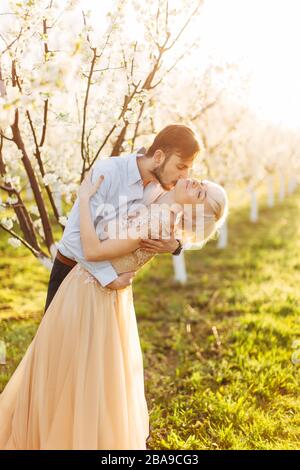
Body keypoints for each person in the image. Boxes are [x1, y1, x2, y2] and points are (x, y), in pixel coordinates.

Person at [0, 171, 228, 450]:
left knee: (70, 369)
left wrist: (84, 200)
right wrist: (178, 244)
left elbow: (93, 250)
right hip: (100, 293)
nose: (196, 183)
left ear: (194, 212)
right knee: (78, 372)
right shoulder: (164, 208)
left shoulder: (158, 221)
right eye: (202, 183)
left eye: (201, 194)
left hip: (89, 294)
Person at [44, 124, 203, 313]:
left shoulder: (162, 187)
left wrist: (176, 246)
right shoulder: (108, 172)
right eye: (180, 167)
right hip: (71, 273)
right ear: (159, 157)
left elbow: (178, 223)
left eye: (188, 169)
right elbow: (73, 238)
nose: (185, 176)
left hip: (113, 291)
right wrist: (109, 277)